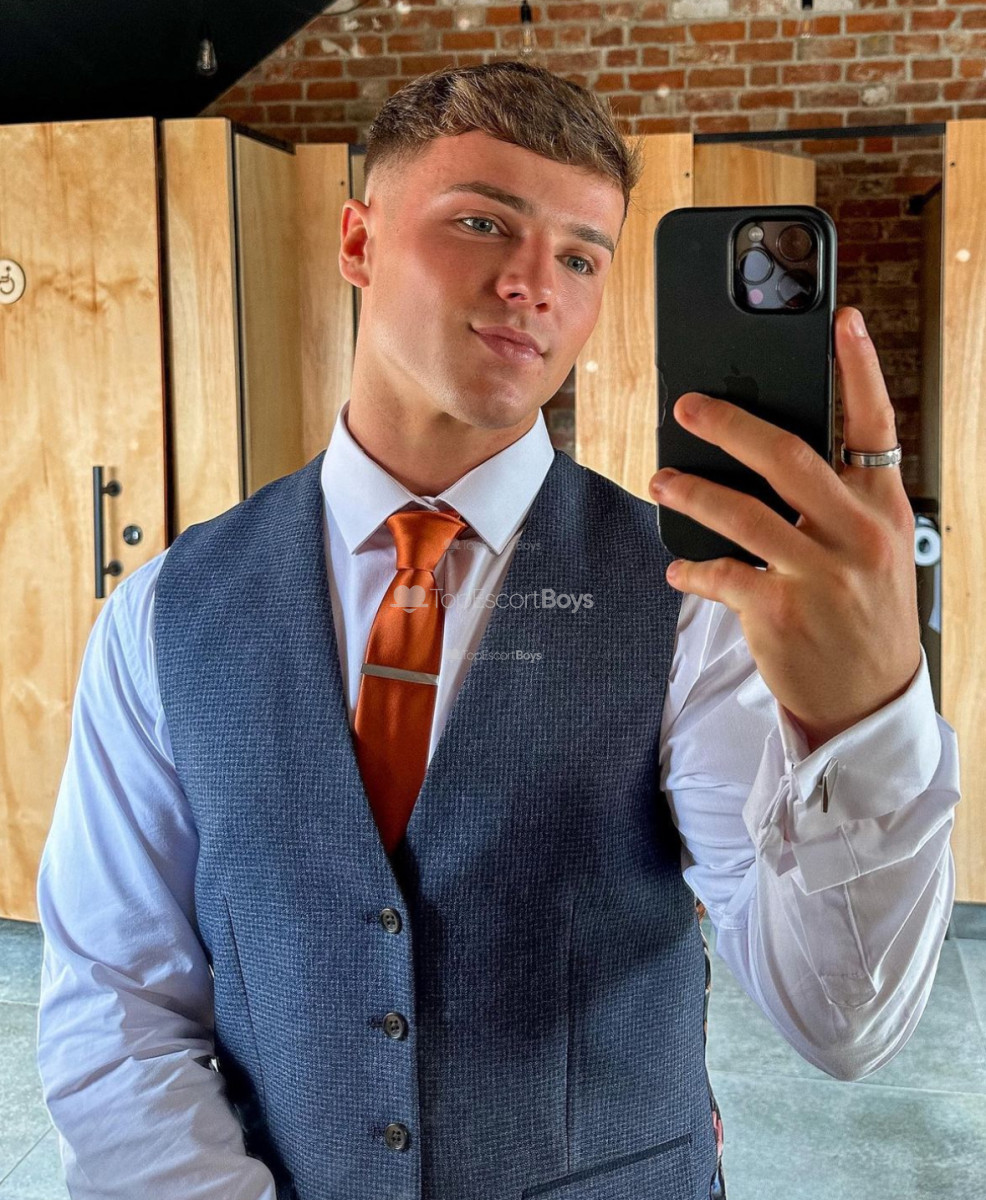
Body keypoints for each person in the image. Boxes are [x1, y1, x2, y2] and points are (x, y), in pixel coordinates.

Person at [36, 60, 960, 1200]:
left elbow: (840, 1018)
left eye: (580, 257)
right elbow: (116, 1000)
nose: (533, 285)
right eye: (482, 223)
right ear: (360, 241)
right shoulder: (164, 611)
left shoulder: (693, 602)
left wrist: (867, 718)